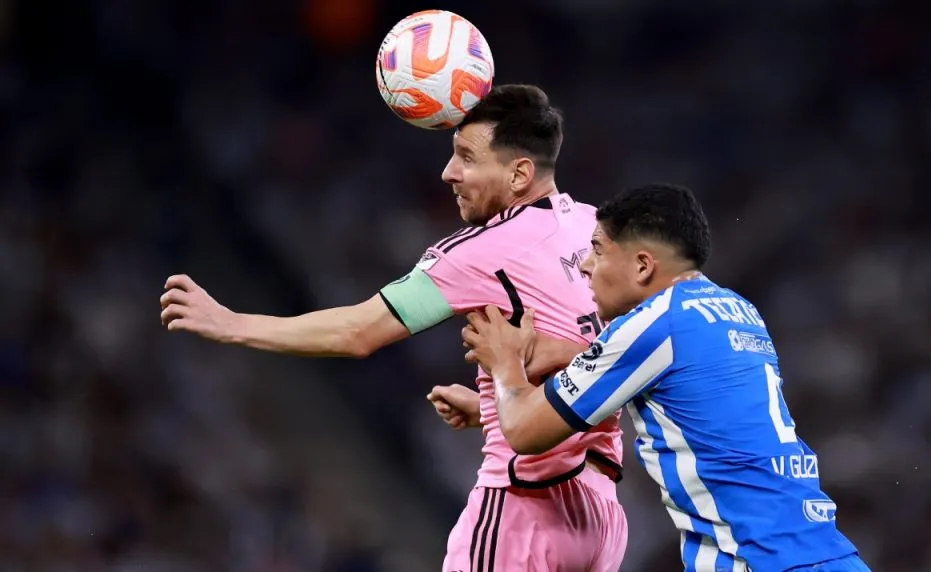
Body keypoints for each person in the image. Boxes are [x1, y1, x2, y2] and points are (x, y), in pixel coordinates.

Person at [159, 84, 628, 572]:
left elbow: (359, 331)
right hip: (601, 520)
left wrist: (233, 324)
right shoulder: (596, 229)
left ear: (519, 174)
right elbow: (605, 353)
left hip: (525, 508)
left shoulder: (482, 249)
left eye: (466, 157)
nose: (449, 173)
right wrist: (495, 404)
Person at [460, 183, 869, 571]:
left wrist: (504, 363)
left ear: (642, 266)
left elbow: (524, 431)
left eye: (598, 251)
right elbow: (674, 381)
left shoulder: (653, 323)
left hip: (753, 559)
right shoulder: (737, 310)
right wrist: (493, 403)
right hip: (827, 552)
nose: (585, 266)